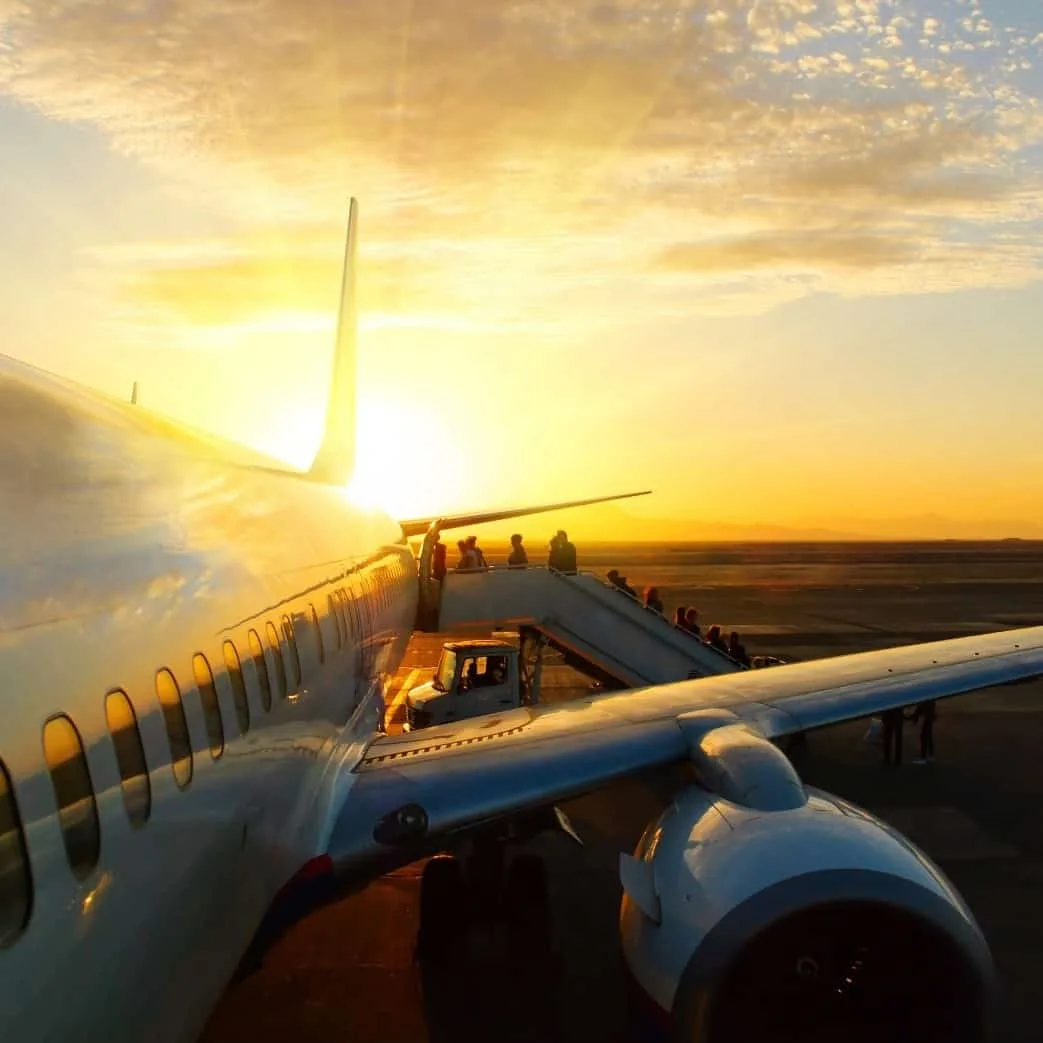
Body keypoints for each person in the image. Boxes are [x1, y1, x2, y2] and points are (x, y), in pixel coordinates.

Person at [909, 700, 936, 764]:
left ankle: (923, 757)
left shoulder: (924, 700)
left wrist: (912, 717)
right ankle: (930, 755)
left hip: (928, 717)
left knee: (924, 737)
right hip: (930, 716)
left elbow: (920, 709)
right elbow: (920, 709)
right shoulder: (930, 699)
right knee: (928, 736)